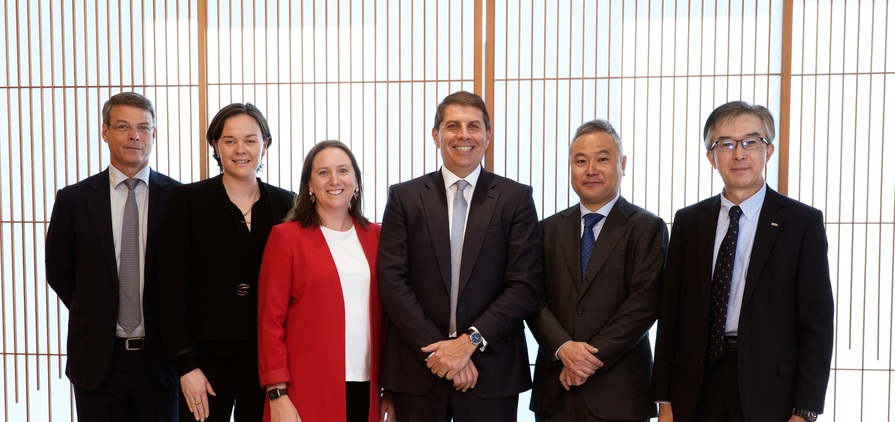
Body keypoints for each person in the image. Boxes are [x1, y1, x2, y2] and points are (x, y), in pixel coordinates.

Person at [650, 101, 834, 422]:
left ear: (768, 151)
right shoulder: (689, 222)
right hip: (695, 384)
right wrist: (664, 400)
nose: (739, 153)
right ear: (711, 156)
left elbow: (817, 324)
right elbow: (671, 316)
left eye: (751, 141)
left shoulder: (801, 222)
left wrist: (805, 411)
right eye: (726, 144)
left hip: (770, 388)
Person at [378, 90, 543, 421]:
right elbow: (393, 281)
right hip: (419, 368)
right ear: (436, 135)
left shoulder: (515, 199)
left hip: (490, 372)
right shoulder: (405, 198)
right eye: (452, 126)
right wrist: (441, 353)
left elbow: (525, 286)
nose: (464, 135)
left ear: (488, 135)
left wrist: (469, 344)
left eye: (474, 126)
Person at [45, 92, 181, 421]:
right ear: (105, 131)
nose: (135, 135)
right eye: (123, 126)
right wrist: (97, 308)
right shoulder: (74, 200)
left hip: (160, 359)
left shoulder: (179, 198)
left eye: (143, 127)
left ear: (154, 134)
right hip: (97, 359)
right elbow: (59, 271)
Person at [156, 103, 296, 422]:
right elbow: (168, 287)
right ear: (215, 147)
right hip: (204, 361)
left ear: (266, 144)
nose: (240, 149)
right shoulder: (187, 201)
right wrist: (186, 366)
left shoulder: (287, 203)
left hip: (266, 362)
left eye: (250, 140)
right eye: (229, 141)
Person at [527, 119, 668, 421]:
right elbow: (531, 299)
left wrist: (586, 360)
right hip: (556, 390)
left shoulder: (647, 228)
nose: (591, 169)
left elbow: (643, 305)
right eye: (580, 161)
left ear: (623, 163)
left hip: (619, 392)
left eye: (602, 159)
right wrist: (563, 348)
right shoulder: (545, 230)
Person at [257, 140, 395, 422]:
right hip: (305, 387)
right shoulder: (286, 238)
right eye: (323, 172)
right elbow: (269, 322)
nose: (335, 180)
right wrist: (277, 394)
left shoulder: (378, 237)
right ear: (309, 184)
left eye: (343, 170)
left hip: (369, 386)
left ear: (356, 182)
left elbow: (391, 321)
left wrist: (391, 390)